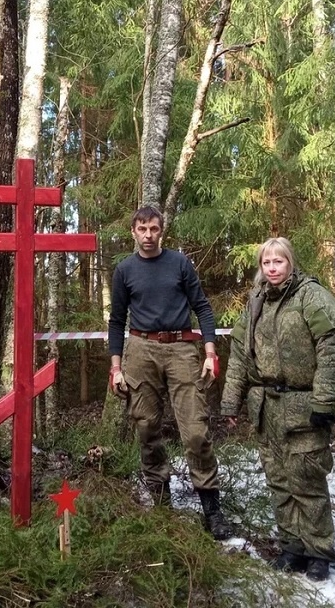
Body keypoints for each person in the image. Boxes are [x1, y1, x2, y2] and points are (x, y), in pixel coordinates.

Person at [221, 237, 335, 581]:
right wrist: (230, 401)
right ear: (261, 267)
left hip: (305, 407)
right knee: (278, 481)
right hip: (266, 408)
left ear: (291, 262)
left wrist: (324, 401)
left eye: (279, 261)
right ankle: (292, 547)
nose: (273, 268)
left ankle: (319, 552)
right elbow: (238, 355)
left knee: (307, 480)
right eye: (267, 263)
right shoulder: (255, 303)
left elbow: (334, 348)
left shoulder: (312, 297)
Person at [107, 205, 230, 540]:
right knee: (147, 427)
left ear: (162, 231)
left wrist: (209, 353)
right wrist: (116, 367)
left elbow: (202, 307)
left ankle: (212, 509)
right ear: (133, 231)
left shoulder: (179, 263)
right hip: (140, 351)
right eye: (142, 229)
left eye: (154, 229)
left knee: (194, 431)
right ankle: (162, 504)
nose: (148, 235)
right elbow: (117, 321)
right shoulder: (125, 270)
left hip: (181, 349)